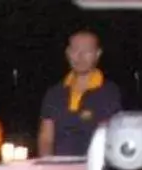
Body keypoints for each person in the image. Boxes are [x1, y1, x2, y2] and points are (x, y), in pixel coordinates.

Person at [38, 31, 122, 161]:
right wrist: (48, 165)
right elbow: (46, 139)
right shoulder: (54, 93)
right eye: (75, 50)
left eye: (86, 51)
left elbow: (107, 138)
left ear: (97, 54)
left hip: (93, 168)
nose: (80, 57)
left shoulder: (108, 92)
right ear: (67, 53)